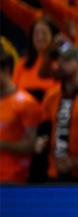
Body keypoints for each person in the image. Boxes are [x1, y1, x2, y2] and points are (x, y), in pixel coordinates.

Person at [39, 43, 78, 182]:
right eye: (59, 60)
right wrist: (41, 140)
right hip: (54, 174)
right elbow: (45, 128)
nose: (60, 65)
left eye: (66, 61)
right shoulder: (51, 95)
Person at [0, 46, 44, 184]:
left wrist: (1, 145)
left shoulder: (26, 102)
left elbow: (33, 145)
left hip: (13, 179)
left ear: (6, 70)